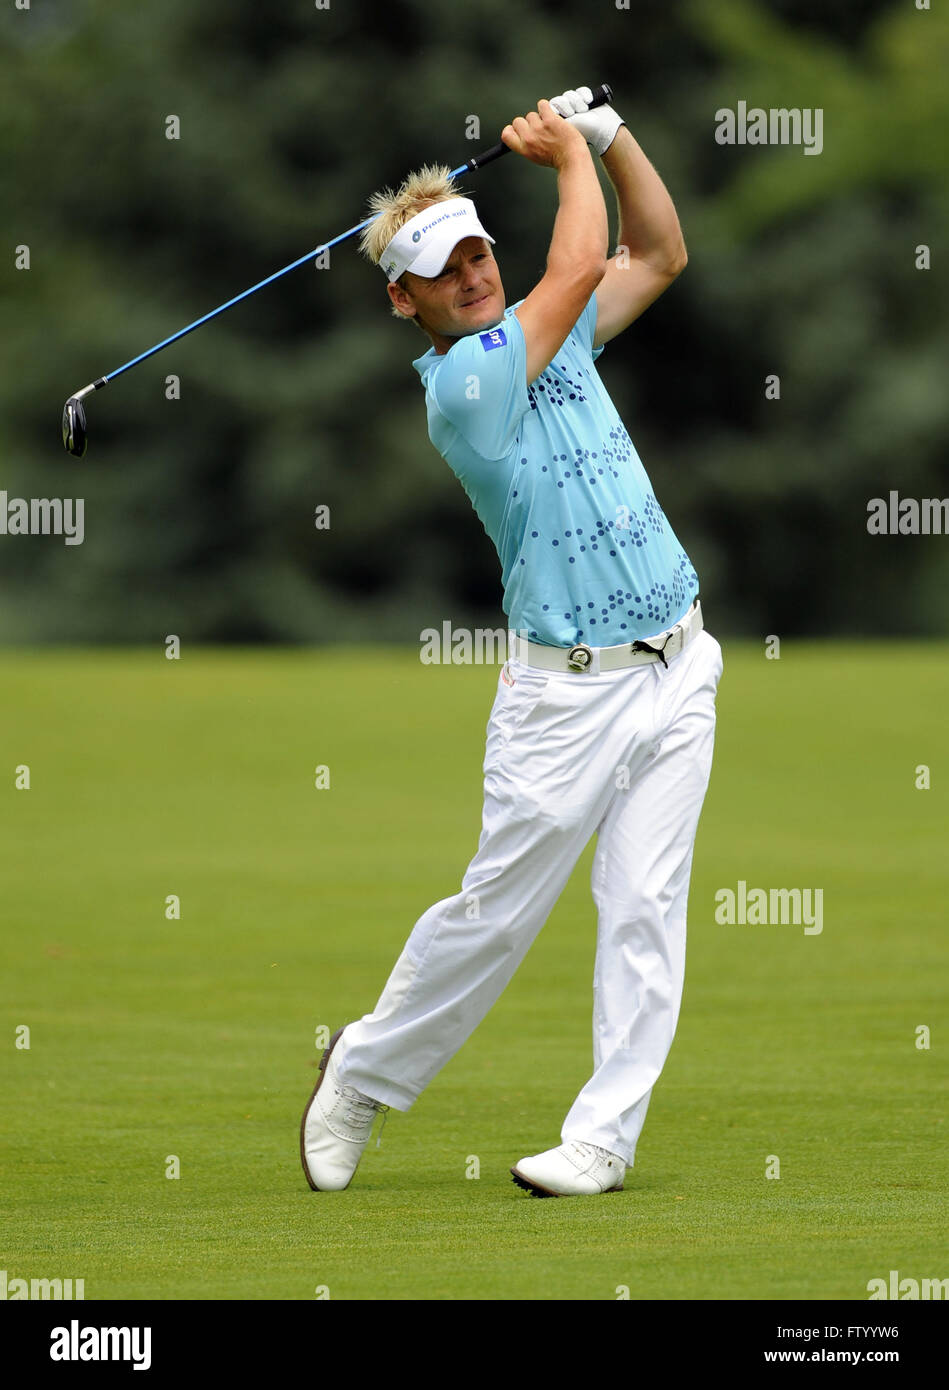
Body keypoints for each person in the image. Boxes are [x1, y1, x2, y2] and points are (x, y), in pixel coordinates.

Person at [300, 87, 723, 1197]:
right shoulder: (464, 385)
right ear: (406, 301)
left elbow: (659, 252)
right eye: (444, 270)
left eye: (478, 252)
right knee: (496, 914)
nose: (473, 274)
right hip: (565, 701)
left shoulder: (554, 332)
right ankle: (362, 1070)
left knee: (645, 911)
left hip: (678, 661)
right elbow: (578, 266)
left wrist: (613, 132)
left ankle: (601, 1139)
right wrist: (566, 157)